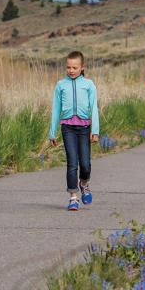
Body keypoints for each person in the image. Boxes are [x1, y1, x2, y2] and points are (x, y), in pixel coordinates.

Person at [49, 51, 100, 211]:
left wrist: (96, 131)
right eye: (68, 67)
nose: (71, 70)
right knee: (72, 163)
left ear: (82, 67)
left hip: (84, 128)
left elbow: (94, 109)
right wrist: (52, 131)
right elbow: (55, 109)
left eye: (75, 67)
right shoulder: (60, 85)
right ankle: (73, 197)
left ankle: (84, 183)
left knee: (85, 164)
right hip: (68, 128)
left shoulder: (89, 85)